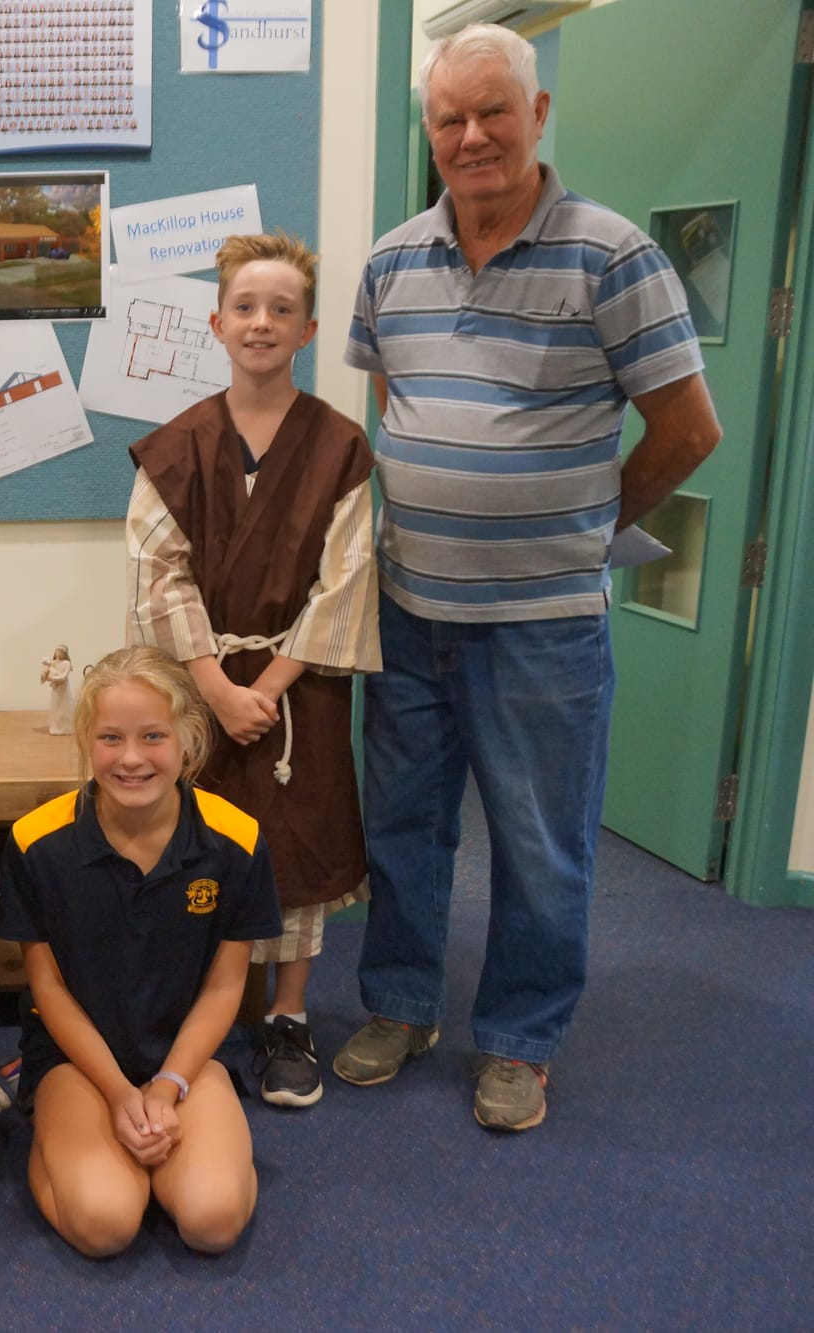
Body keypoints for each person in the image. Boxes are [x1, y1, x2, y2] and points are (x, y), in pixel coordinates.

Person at [341, 23, 721, 1131]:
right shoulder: (387, 261)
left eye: (491, 112)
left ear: (537, 113)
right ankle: (401, 1002)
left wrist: (590, 518)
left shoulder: (610, 256)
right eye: (449, 119)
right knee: (402, 827)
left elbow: (688, 429)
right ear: (428, 131)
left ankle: (517, 1037)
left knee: (539, 838)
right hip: (408, 611)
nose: (471, 137)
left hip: (541, 624)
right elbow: (391, 406)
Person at [125, 232, 379, 1109]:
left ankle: (289, 1014)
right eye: (245, 307)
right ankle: (202, 1006)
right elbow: (158, 572)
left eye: (281, 309)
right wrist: (215, 686)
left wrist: (265, 690)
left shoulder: (342, 447)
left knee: (293, 842)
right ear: (217, 322)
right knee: (193, 837)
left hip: (296, 690)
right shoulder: (177, 446)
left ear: (307, 328)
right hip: (199, 687)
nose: (261, 322)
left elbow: (345, 580)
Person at [0, 646, 279, 1257]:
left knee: (212, 1223)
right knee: (105, 1226)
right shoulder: (35, 844)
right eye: (110, 738)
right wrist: (123, 1095)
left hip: (189, 1059)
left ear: (188, 740)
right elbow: (48, 990)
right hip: (79, 1060)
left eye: (153, 736)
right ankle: (65, 1140)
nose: (130, 758)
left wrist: (167, 1086)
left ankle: (189, 1155)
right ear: (86, 742)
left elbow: (226, 987)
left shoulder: (237, 841)